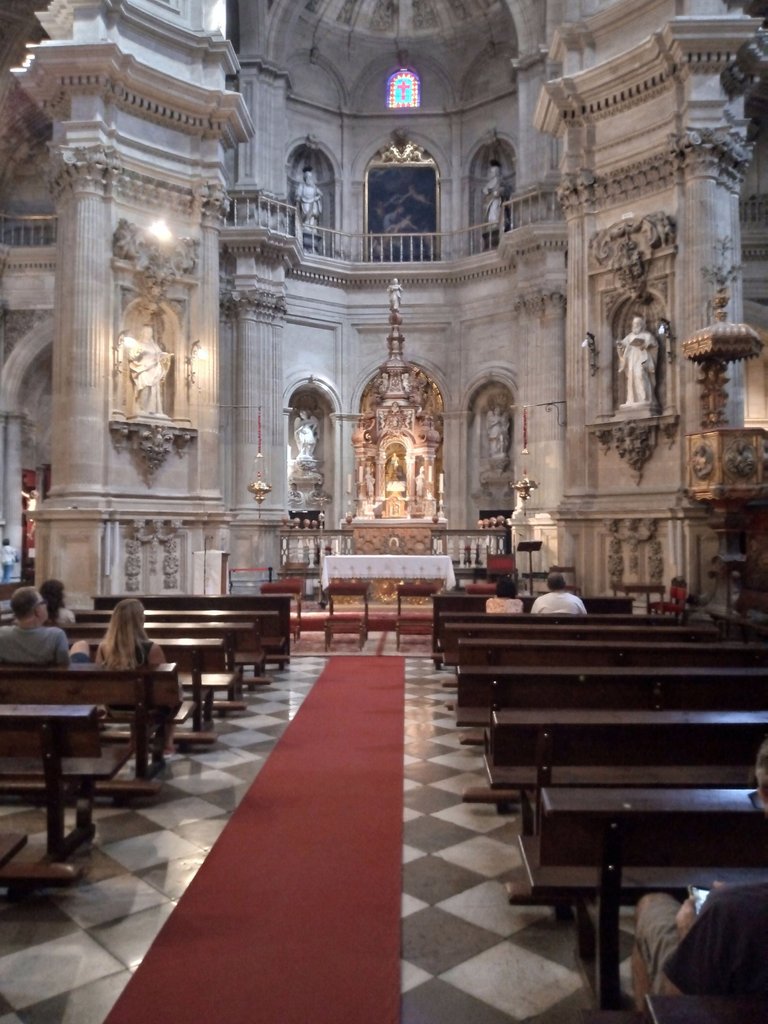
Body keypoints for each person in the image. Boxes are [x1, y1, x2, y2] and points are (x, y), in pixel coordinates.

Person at [631, 738, 768, 1008]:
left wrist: (687, 934)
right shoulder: (733, 907)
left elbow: (679, 1008)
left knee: (651, 907)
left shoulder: (727, 914)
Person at [94, 598, 176, 754]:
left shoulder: (104, 648)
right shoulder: (152, 649)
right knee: (174, 694)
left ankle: (135, 737)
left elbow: (100, 681)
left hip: (114, 707)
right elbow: (165, 685)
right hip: (147, 707)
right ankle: (167, 743)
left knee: (135, 695)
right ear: (139, 620)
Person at [0, 586, 70, 665]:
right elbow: (65, 666)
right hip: (47, 677)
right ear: (37, 610)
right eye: (43, 602)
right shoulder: (57, 636)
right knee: (80, 646)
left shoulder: (2, 635)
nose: (46, 605)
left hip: (9, 677)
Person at [127, 324, 172, 416]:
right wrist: (136, 352)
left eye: (150, 332)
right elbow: (132, 356)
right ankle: (142, 408)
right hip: (143, 369)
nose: (149, 334)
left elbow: (160, 355)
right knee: (145, 388)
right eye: (147, 332)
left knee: (154, 390)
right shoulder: (139, 344)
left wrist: (164, 357)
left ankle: (154, 410)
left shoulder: (154, 346)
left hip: (155, 370)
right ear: (143, 333)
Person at [616, 315, 658, 406]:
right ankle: (632, 400)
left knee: (641, 375)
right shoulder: (630, 336)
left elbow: (654, 344)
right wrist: (620, 344)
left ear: (642, 325)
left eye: (637, 323)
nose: (635, 325)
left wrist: (646, 345)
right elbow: (623, 344)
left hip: (642, 358)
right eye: (634, 323)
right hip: (632, 359)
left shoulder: (647, 335)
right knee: (631, 378)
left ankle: (645, 398)